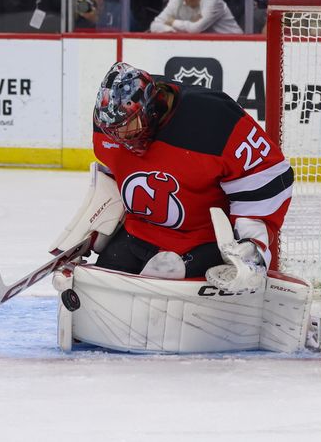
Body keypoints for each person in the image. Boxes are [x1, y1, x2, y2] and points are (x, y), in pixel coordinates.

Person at [90, 62, 294, 285]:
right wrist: (95, 224)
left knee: (166, 274)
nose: (120, 137)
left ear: (152, 108)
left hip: (201, 241)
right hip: (139, 231)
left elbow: (268, 174)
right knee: (100, 279)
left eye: (128, 127)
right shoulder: (111, 120)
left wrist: (250, 244)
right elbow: (112, 174)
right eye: (114, 131)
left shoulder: (214, 118)